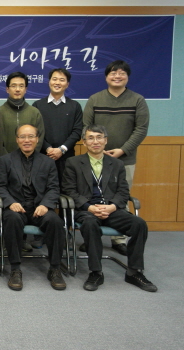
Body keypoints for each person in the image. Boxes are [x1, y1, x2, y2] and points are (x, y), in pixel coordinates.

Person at [62, 124, 156, 292]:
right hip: (86, 211)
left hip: (111, 210)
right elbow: (69, 190)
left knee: (139, 224)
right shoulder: (73, 163)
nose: (95, 142)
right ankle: (96, 272)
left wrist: (112, 207)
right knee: (90, 224)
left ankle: (134, 272)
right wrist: (89, 207)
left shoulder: (117, 164)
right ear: (84, 142)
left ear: (105, 141)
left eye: (99, 138)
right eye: (91, 138)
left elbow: (123, 191)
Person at [83, 60, 150, 256]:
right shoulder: (95, 99)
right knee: (92, 196)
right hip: (95, 157)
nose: (117, 76)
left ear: (127, 77)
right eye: (113, 73)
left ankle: (119, 239)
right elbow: (86, 127)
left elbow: (141, 129)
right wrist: (97, 150)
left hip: (124, 159)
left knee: (120, 197)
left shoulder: (137, 100)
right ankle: (92, 236)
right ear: (106, 77)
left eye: (122, 73)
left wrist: (122, 150)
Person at [0, 124, 66, 291]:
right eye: (22, 137)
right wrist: (10, 202)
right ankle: (15, 269)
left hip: (39, 207)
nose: (26, 140)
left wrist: (45, 204)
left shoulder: (48, 162)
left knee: (55, 221)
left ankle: (55, 268)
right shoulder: (5, 160)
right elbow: (0, 186)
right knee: (11, 219)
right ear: (17, 140)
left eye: (30, 136)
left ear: (37, 139)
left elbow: (54, 188)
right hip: (16, 207)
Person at [32, 68, 83, 184]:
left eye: (62, 80)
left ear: (67, 84)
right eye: (54, 79)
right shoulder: (37, 105)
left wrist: (62, 149)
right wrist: (48, 149)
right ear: (49, 82)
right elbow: (35, 132)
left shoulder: (75, 106)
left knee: (67, 190)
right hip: (43, 157)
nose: (57, 82)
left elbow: (77, 131)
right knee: (43, 189)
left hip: (67, 158)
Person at [0, 72, 45, 154]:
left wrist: (29, 156)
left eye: (21, 86)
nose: (17, 89)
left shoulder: (34, 112)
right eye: (13, 86)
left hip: (30, 159)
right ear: (7, 89)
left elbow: (39, 138)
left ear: (25, 89)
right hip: (5, 160)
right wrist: (6, 159)